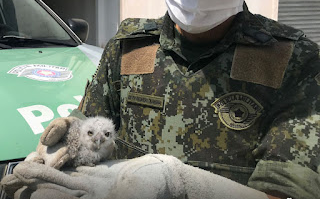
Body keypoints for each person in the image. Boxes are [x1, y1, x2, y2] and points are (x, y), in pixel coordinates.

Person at [1, 0, 319, 198]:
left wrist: (178, 184)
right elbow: (93, 126)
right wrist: (70, 141)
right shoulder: (129, 46)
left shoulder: (294, 60)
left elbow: (286, 189)